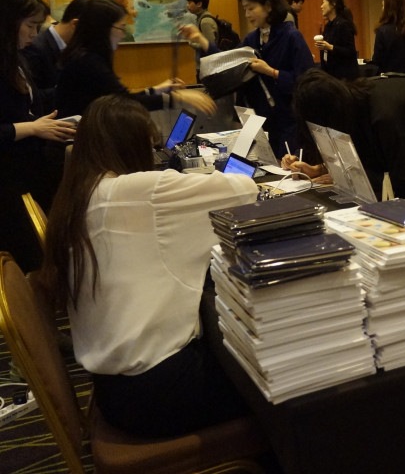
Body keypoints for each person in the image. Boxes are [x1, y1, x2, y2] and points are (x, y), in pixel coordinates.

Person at [40, 94, 258, 438]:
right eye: (150, 144)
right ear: (132, 145)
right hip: (159, 392)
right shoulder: (138, 190)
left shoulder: (79, 195)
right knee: (282, 373)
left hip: (116, 389)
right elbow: (244, 190)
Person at [282, 69, 405, 208]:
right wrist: (320, 169)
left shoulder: (385, 115)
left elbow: (397, 179)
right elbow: (364, 157)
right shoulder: (354, 104)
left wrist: (346, 177)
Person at [181, 0, 315, 158]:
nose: (247, 14)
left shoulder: (291, 36)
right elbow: (228, 63)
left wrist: (272, 72)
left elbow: (308, 83)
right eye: (245, 9)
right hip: (259, 122)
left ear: (268, 6)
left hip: (288, 124)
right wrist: (201, 40)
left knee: (287, 167)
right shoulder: (252, 38)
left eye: (251, 8)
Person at [0, 0, 76, 272]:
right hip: (7, 182)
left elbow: (27, 104)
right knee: (26, 260)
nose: (34, 34)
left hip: (29, 173)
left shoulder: (15, 59)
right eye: (30, 26)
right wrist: (32, 128)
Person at [55, 0, 214, 118]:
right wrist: (178, 97)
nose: (123, 35)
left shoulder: (85, 56)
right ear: (103, 29)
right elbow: (124, 102)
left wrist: (156, 90)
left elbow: (119, 97)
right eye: (121, 28)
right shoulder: (88, 61)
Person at [21, 0, 88, 111]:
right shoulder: (34, 47)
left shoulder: (76, 49)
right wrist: (70, 87)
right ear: (75, 24)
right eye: (30, 25)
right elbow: (31, 96)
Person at [315, 0, 359, 80]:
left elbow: (350, 52)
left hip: (344, 77)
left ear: (333, 4)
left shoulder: (343, 24)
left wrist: (330, 47)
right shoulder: (328, 26)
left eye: (323, 2)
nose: (321, 6)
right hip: (330, 74)